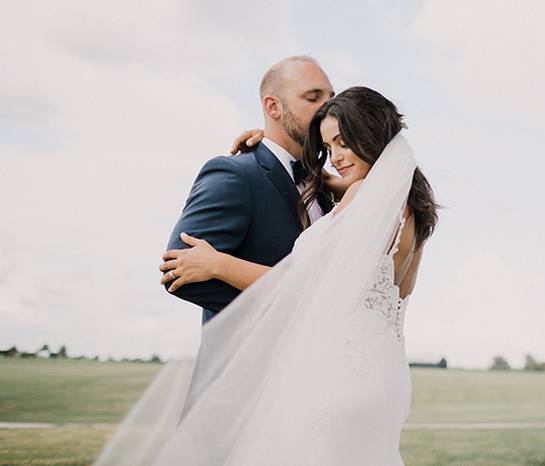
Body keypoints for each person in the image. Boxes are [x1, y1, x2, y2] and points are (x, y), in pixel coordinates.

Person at [96, 86, 437, 465]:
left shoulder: (361, 195)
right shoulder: (412, 206)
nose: (335, 158)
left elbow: (302, 288)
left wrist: (217, 264)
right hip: (383, 378)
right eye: (329, 147)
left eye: (343, 143)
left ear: (372, 135)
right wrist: (270, 151)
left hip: (339, 379)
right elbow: (332, 184)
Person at [161, 55, 339, 324]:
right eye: (313, 98)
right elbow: (177, 273)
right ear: (273, 107)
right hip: (250, 362)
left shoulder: (326, 185)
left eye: (331, 98)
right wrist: (293, 322)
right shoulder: (235, 175)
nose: (328, 109)